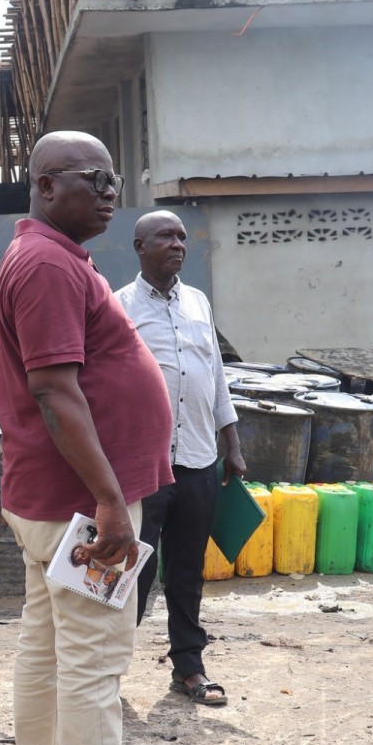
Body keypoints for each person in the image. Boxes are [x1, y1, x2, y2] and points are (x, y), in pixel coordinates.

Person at [0, 131, 187, 745]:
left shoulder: (53, 255)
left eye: (113, 181)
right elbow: (54, 390)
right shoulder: (45, 263)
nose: (109, 193)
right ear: (46, 185)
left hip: (57, 500)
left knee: (47, 644)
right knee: (93, 660)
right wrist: (109, 498)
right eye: (93, 179)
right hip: (81, 506)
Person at [115, 210, 246, 707]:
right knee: (133, 570)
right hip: (143, 464)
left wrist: (232, 444)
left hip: (197, 458)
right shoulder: (118, 305)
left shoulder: (197, 302)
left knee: (188, 571)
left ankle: (189, 668)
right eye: (165, 236)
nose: (177, 244)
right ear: (139, 246)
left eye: (182, 237)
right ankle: (108, 669)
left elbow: (215, 375)